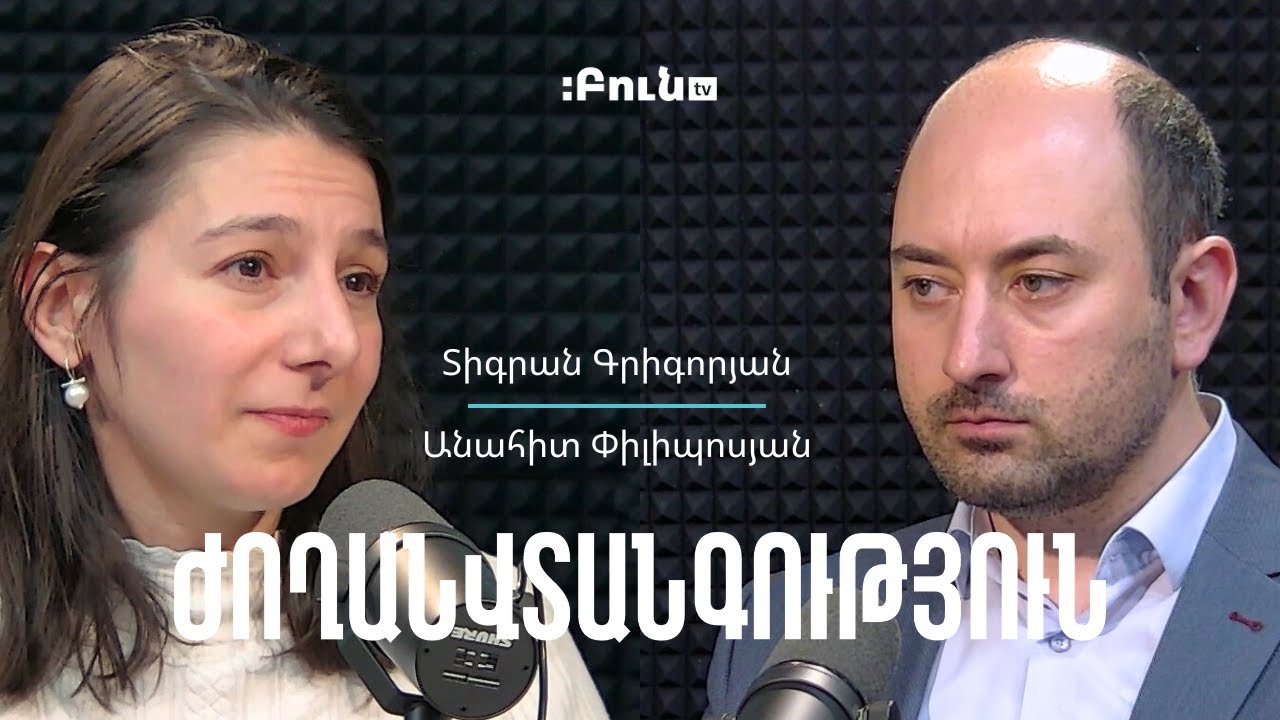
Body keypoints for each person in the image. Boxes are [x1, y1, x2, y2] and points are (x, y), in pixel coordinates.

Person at [0, 21, 609, 720]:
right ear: (64, 310)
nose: (335, 341)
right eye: (250, 266)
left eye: (357, 280)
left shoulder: (488, 636)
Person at [705, 37, 1280, 719]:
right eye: (927, 285)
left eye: (1037, 282)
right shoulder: (787, 627)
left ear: (1190, 302)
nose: (966, 357)